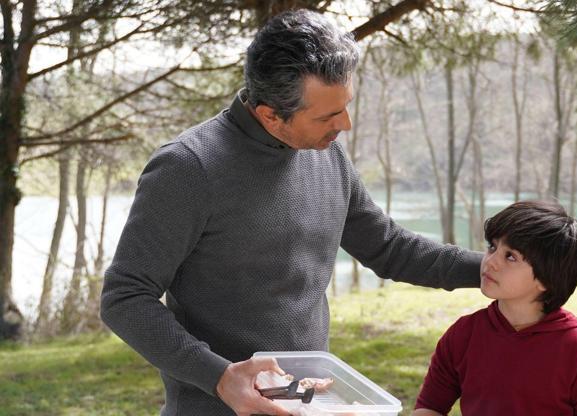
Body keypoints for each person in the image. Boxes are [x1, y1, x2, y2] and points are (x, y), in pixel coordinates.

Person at [100, 10, 483, 416]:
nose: (345, 124)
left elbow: (388, 248)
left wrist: (494, 268)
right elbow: (124, 296)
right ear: (269, 115)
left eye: (345, 106)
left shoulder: (326, 151)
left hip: (310, 405)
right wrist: (220, 376)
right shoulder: (189, 168)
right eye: (327, 116)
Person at [413, 201, 577, 416]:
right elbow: (429, 407)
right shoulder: (464, 334)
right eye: (492, 246)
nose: (490, 261)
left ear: (546, 279)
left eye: (510, 256)